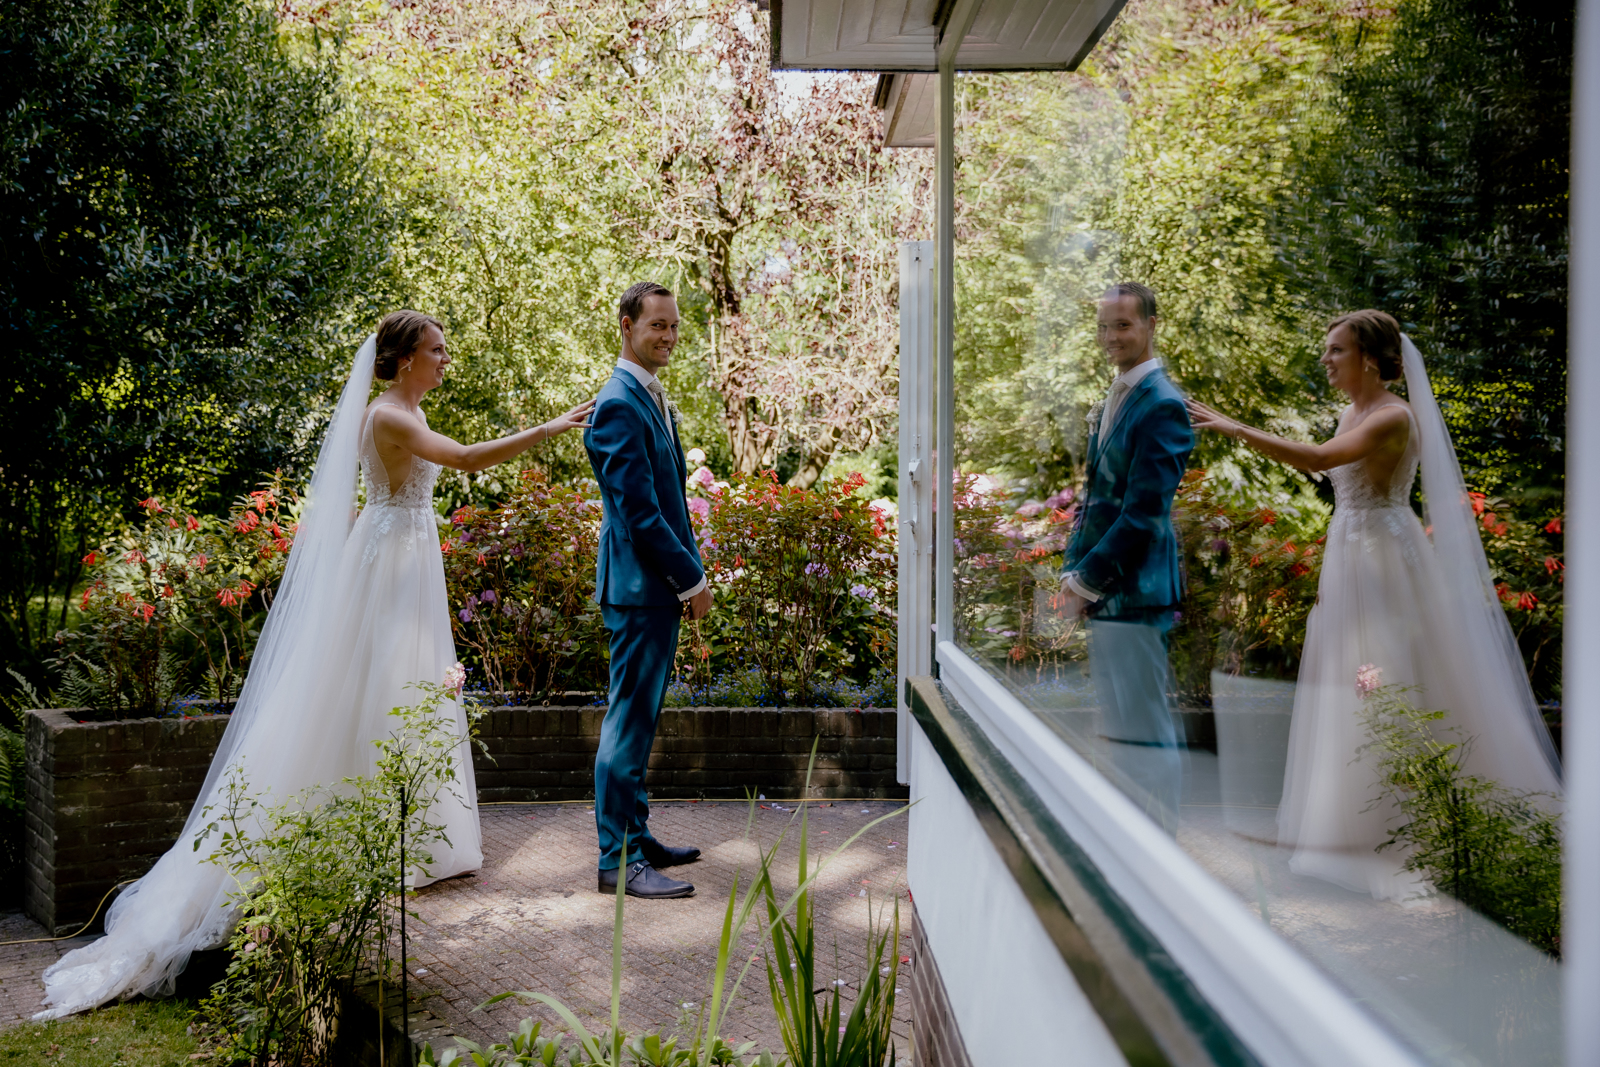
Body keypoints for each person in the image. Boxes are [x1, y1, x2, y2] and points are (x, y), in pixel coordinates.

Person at [37, 311, 594, 1018]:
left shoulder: (404, 411)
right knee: (377, 690)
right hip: (389, 566)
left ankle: (409, 836)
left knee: (407, 688)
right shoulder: (387, 415)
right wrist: (548, 429)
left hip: (404, 555)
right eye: (437, 350)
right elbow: (463, 460)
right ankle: (361, 837)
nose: (445, 360)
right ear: (404, 359)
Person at [1187, 310, 1562, 900]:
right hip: (1350, 552)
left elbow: (1317, 460)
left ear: (1368, 358)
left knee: (1389, 681)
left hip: (1385, 561)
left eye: (1336, 350)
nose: (1326, 360)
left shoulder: (1393, 416)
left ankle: (1410, 834)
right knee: (1348, 683)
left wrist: (1234, 427)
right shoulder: (1350, 413)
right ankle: (1348, 827)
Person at [583, 282, 711, 899]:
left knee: (640, 721)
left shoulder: (646, 395)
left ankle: (637, 836)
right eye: (657, 325)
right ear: (627, 325)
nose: (669, 336)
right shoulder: (617, 403)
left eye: (674, 325)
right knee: (627, 726)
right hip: (640, 588)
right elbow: (639, 514)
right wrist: (692, 580)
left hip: (652, 588)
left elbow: (669, 500)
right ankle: (618, 861)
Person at [1060, 282, 1195, 829]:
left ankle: (1162, 844)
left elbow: (1143, 514)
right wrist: (1072, 572)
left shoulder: (1163, 404)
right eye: (1103, 326)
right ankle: (1132, 838)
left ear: (1150, 325)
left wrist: (1085, 581)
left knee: (1146, 727)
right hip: (1108, 592)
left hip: (1136, 591)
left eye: (1122, 325)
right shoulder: (1118, 395)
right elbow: (1095, 500)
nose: (1110, 336)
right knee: (1121, 726)